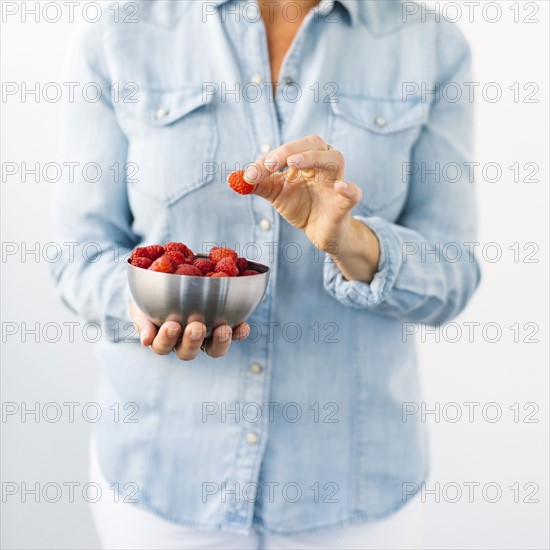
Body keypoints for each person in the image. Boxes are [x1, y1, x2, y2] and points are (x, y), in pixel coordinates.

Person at [52, 0, 481, 548]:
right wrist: (143, 303)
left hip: (351, 488)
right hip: (164, 476)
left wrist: (351, 242)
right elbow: (77, 252)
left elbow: (453, 275)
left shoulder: (429, 44)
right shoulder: (120, 33)